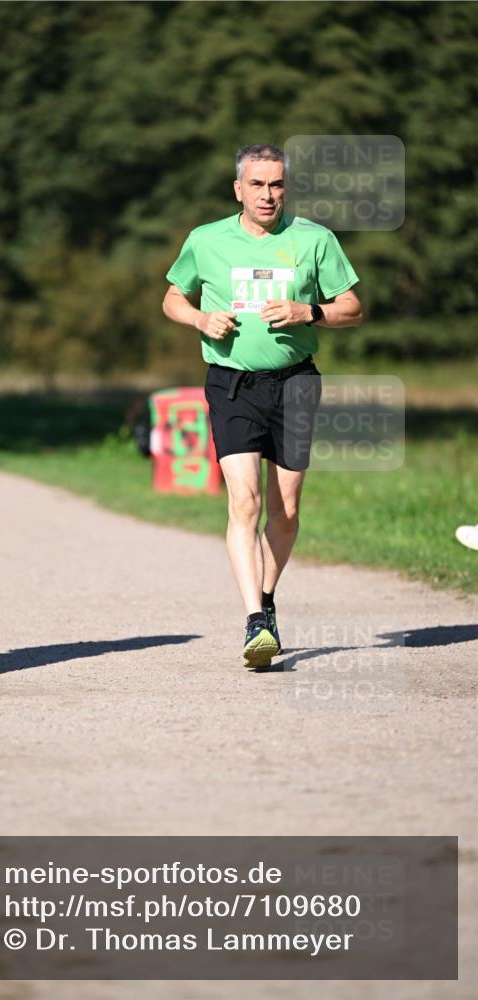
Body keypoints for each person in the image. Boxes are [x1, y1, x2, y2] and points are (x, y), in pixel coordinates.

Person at [163, 144, 362, 668]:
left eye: (276, 184)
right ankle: (255, 619)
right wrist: (200, 320)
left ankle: (267, 599)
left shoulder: (314, 239)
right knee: (244, 502)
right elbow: (171, 297)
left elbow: (353, 308)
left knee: (287, 509)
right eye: (257, 185)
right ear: (238, 189)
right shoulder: (205, 241)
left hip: (296, 383)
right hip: (231, 384)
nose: (267, 194)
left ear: (285, 188)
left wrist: (308, 310)